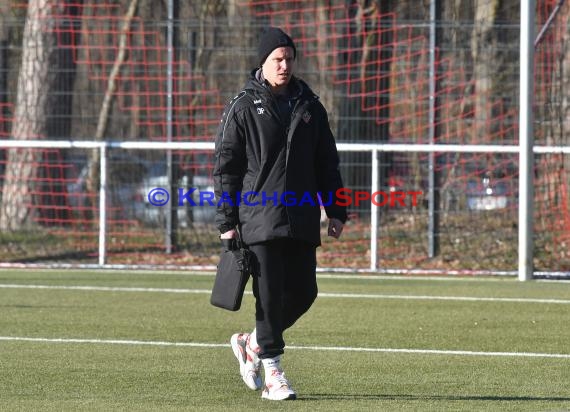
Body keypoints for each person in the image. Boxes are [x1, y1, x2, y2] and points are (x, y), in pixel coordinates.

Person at [213, 26, 347, 401]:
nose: (284, 65)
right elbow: (226, 169)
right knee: (268, 297)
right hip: (258, 218)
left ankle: (251, 343)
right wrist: (227, 223)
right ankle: (273, 372)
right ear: (263, 62)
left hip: (301, 217)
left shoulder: (311, 106)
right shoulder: (242, 106)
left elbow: (327, 163)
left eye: (289, 58)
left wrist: (336, 208)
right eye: (277, 59)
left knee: (305, 292)